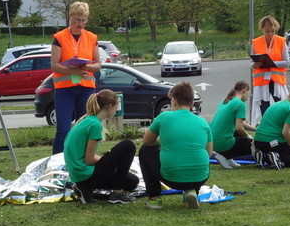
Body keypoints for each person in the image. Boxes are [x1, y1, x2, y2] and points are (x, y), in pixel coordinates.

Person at [139, 82, 212, 210]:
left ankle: (154, 199)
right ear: (192, 102)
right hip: (200, 177)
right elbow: (209, 152)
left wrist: (165, 141)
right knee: (195, 155)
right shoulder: (203, 122)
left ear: (174, 100)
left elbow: (147, 141)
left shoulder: (164, 117)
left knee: (145, 151)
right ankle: (192, 191)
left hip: (171, 179)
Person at [63, 89, 139, 204]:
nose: (116, 111)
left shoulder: (87, 120)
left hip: (79, 176)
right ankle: (117, 193)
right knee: (128, 145)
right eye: (116, 107)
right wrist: (114, 164)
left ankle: (84, 189)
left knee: (132, 181)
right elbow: (89, 160)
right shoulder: (95, 125)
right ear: (110, 106)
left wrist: (112, 163)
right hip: (86, 175)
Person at [51, 2, 101, 154]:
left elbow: (98, 64)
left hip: (86, 88)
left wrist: (87, 68)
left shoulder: (92, 38)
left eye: (83, 20)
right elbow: (54, 65)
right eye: (77, 19)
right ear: (70, 17)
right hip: (64, 89)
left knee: (84, 129)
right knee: (64, 130)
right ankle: (57, 163)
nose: (80, 24)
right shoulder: (59, 37)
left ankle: (83, 160)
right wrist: (72, 70)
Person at [253, 89, 290, 169]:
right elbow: (285, 132)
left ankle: (262, 155)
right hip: (272, 141)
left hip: (258, 141)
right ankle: (272, 156)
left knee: (285, 150)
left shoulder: (277, 104)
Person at [251, 15, 289, 125]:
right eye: (267, 31)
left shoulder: (281, 41)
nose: (270, 34)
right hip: (262, 81)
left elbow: (287, 62)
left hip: (277, 80)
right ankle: (267, 128)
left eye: (272, 31)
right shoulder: (256, 42)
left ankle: (283, 127)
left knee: (280, 105)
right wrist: (255, 65)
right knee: (264, 106)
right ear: (262, 29)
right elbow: (251, 62)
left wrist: (271, 64)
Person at [210, 81, 256, 169]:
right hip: (222, 143)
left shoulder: (225, 102)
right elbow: (239, 127)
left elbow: (240, 122)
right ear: (244, 90)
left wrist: (253, 129)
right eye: (248, 93)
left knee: (237, 135)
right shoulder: (240, 104)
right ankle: (224, 156)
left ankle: (229, 159)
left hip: (213, 141)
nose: (248, 96)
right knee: (253, 144)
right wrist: (248, 136)